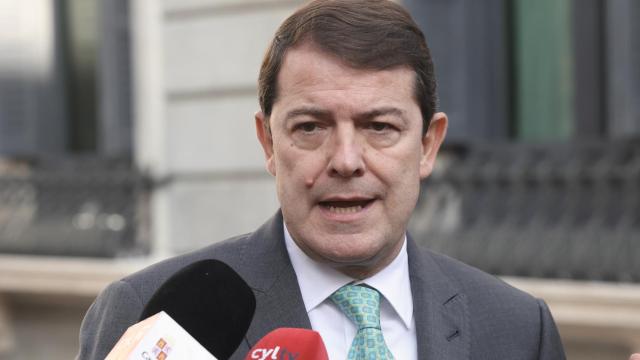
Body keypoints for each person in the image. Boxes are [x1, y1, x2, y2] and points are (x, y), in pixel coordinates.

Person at [77, 1, 566, 359]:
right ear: (269, 143)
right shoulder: (155, 319)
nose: (347, 160)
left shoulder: (520, 329)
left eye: (380, 127)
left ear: (428, 145)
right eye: (311, 127)